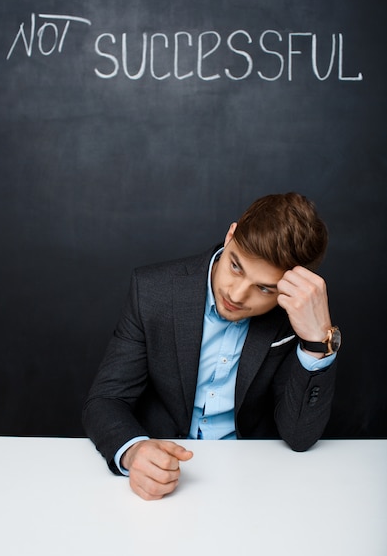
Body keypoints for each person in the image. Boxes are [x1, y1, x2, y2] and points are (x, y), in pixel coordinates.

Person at [83, 192, 340, 500]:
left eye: (263, 288)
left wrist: (317, 341)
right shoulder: (153, 291)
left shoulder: (293, 316)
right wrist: (134, 450)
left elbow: (299, 436)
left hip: (256, 482)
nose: (237, 294)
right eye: (236, 266)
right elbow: (105, 400)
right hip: (168, 475)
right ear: (231, 235)